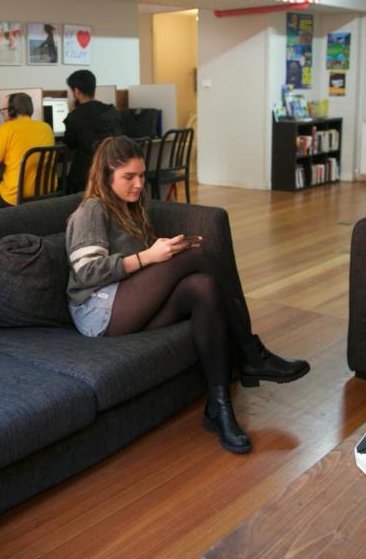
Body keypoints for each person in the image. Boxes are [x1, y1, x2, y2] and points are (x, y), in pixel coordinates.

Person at [65, 136, 310, 454]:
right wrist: (150, 257)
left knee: (202, 287)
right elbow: (87, 271)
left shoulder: (132, 208)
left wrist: (161, 253)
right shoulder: (92, 209)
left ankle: (219, 408)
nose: (139, 184)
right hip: (97, 310)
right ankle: (252, 354)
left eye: (141, 175)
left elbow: (142, 270)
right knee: (195, 258)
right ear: (105, 175)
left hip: (126, 301)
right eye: (129, 177)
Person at [0, 93, 55, 212]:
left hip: (16, 196)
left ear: (11, 111)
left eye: (4, 110)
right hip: (46, 191)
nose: (3, 113)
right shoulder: (46, 128)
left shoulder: (6, 129)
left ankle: (1, 227)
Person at [62, 69, 123, 194]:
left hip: (85, 177)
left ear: (77, 91)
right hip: (111, 171)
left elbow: (69, 143)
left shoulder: (75, 117)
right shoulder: (111, 111)